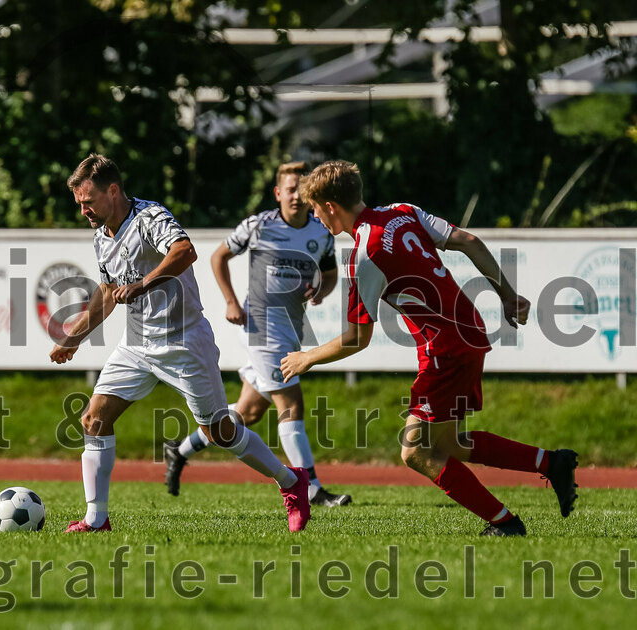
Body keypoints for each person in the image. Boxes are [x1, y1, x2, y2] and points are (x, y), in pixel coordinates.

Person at [280, 160, 578, 536]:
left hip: (446, 348)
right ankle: (551, 463)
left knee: (415, 451)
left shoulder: (364, 254)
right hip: (467, 329)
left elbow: (357, 338)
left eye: (315, 210)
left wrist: (307, 357)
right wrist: (506, 293)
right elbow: (468, 241)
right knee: (452, 443)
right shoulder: (401, 212)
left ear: (330, 207)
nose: (316, 218)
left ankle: (504, 522)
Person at [50, 154, 312, 533]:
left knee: (221, 431)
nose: (84, 211)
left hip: (184, 342)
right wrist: (73, 338)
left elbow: (185, 251)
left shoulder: (149, 216)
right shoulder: (101, 236)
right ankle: (96, 518)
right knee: (93, 418)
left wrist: (142, 283)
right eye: (79, 204)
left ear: (113, 190)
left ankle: (292, 482)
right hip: (137, 344)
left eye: (88, 202)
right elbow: (107, 292)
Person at [164, 162, 352, 507]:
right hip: (261, 327)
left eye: (301, 188)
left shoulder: (320, 231)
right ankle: (311, 489)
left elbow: (329, 271)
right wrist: (232, 301)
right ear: (278, 193)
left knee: (248, 413)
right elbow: (219, 256)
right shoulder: (259, 226)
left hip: (290, 327)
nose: (295, 195)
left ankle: (180, 449)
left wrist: (323, 289)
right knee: (291, 403)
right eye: (289, 189)